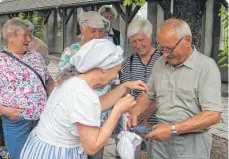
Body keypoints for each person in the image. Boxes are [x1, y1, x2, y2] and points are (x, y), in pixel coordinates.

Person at [20, 39, 148, 159]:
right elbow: (92, 147)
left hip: (44, 147)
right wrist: (117, 111)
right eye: (116, 71)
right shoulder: (82, 94)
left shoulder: (74, 81)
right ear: (104, 69)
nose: (115, 77)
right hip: (57, 153)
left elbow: (97, 105)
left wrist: (125, 86)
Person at [128, 18, 222, 159]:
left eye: (169, 48)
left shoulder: (206, 67)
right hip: (160, 142)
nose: (165, 54)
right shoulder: (160, 63)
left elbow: (213, 115)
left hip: (192, 145)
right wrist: (133, 113)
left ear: (187, 40)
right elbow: (148, 96)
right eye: (162, 48)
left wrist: (173, 129)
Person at [58, 11, 119, 159]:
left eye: (101, 31)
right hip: (76, 118)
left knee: (96, 153)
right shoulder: (71, 52)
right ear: (82, 29)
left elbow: (115, 82)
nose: (97, 35)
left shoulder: (108, 52)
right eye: (93, 31)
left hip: (100, 116)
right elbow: (61, 82)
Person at [0, 17, 54, 159]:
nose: (29, 39)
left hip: (41, 120)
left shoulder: (36, 57)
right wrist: (4, 110)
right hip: (16, 122)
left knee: (41, 155)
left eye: (30, 34)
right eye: (25, 35)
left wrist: (52, 100)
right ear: (11, 36)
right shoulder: (1, 61)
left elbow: (48, 80)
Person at [120, 19, 162, 158]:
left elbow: (168, 92)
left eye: (141, 40)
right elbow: (126, 92)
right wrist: (134, 113)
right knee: (140, 154)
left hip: (161, 120)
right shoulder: (128, 62)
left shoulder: (163, 60)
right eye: (134, 41)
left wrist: (146, 112)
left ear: (150, 37)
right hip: (136, 120)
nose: (138, 45)